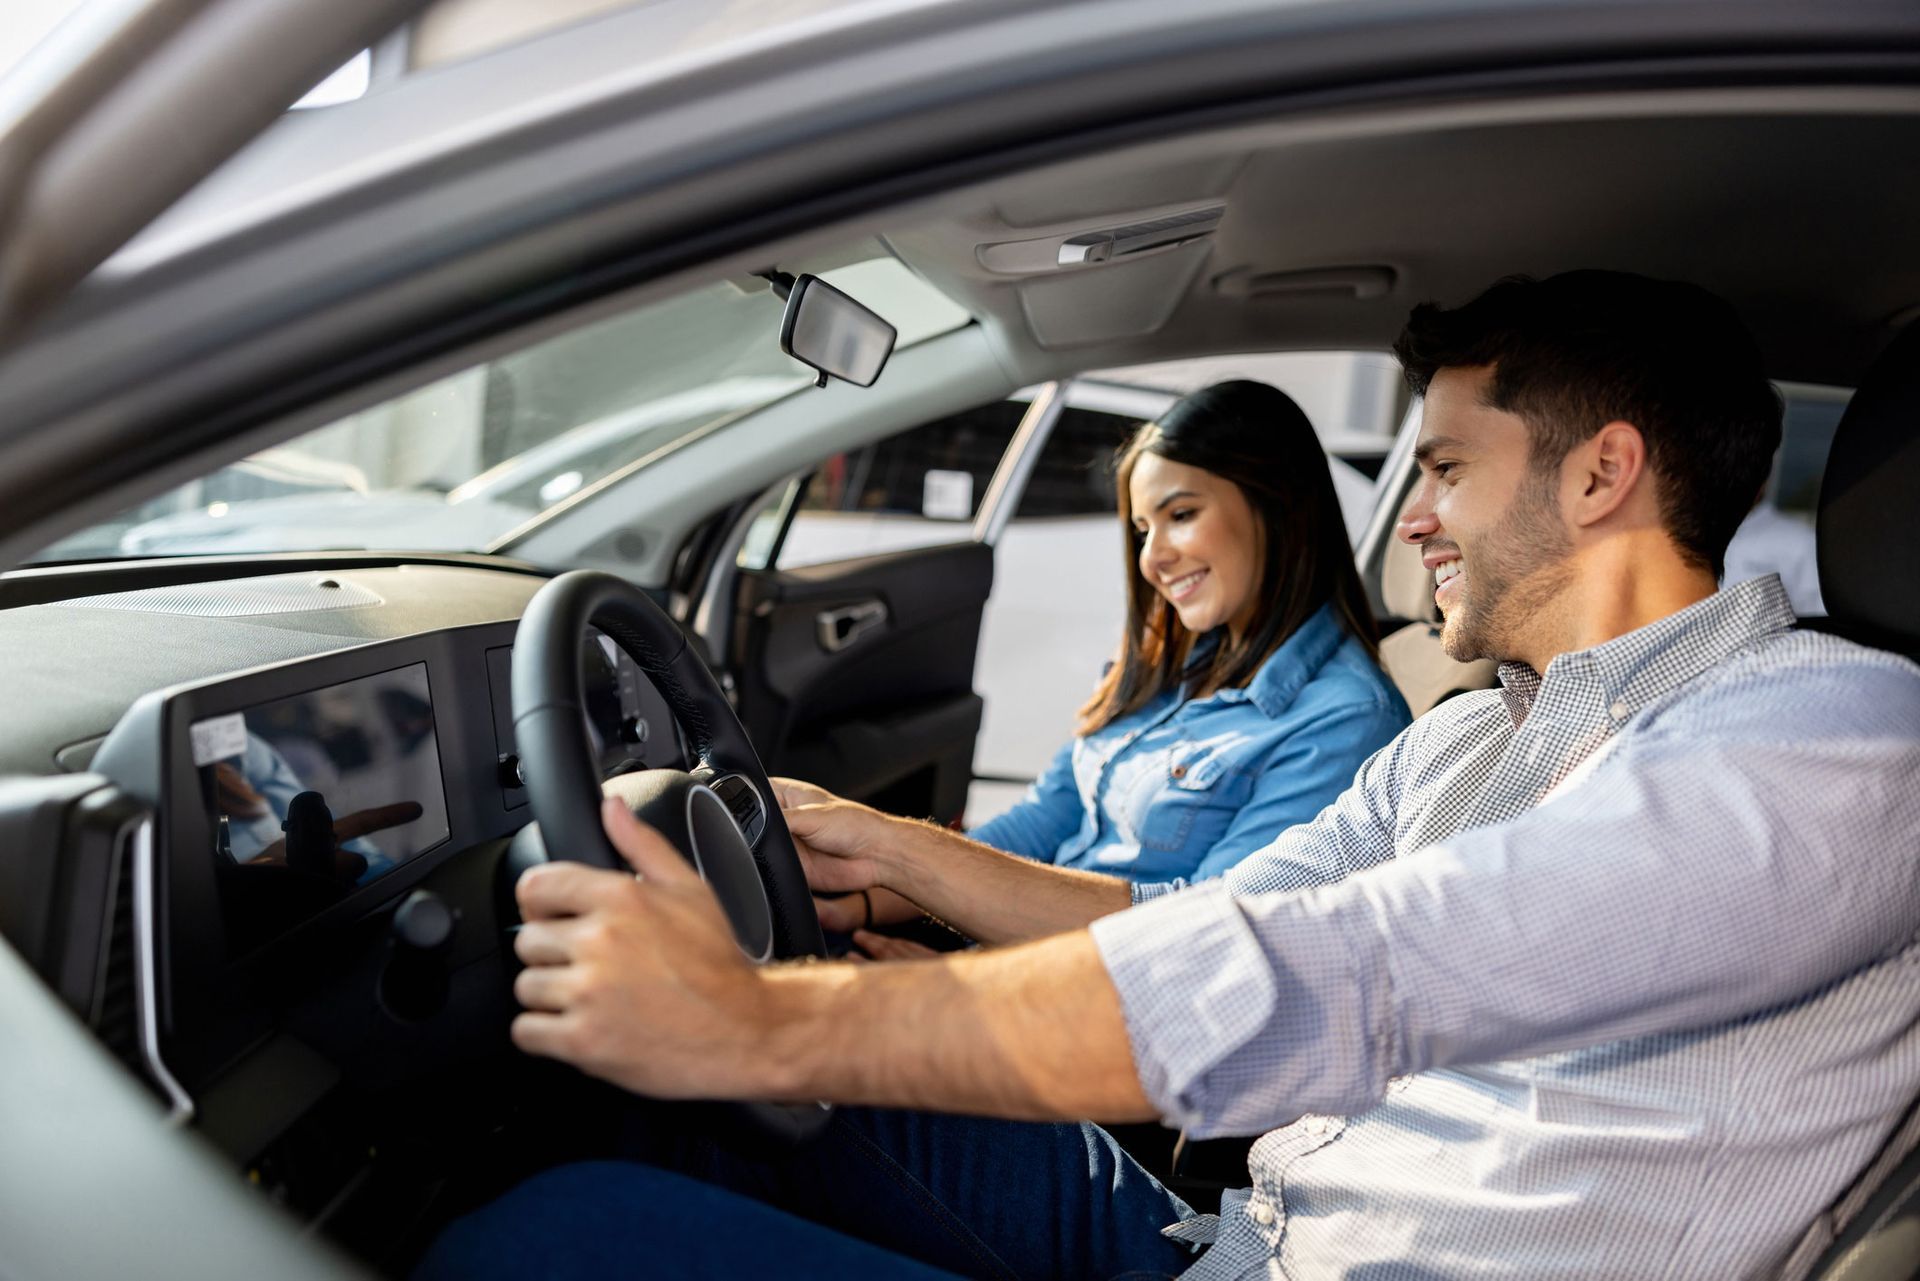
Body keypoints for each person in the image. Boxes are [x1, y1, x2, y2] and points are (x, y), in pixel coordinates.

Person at [421, 271, 1920, 1280]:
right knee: (646, 1116)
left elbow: (1348, 972)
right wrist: (893, 852)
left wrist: (762, 1020)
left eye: (1449, 472)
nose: (1415, 526)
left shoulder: (1833, 735)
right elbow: (1194, 917)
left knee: (550, 1234)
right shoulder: (1472, 734)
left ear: (1600, 475)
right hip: (1229, 1233)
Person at [830, 380, 1408, 955]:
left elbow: (1202, 939)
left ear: (1279, 504)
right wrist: (855, 898)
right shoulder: (1170, 661)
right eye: (1141, 530)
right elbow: (1042, 824)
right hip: (1025, 961)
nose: (1152, 559)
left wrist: (951, 982)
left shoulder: (1347, 721)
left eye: (1180, 514)